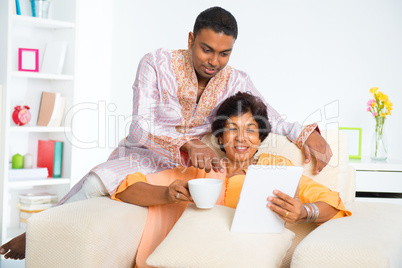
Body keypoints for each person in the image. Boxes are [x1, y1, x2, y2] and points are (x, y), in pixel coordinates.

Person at [0, 6, 332, 260]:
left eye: (224, 53)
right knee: (95, 184)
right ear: (191, 39)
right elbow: (140, 126)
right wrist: (186, 142)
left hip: (189, 168)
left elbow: (268, 116)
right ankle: (36, 235)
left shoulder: (236, 79)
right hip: (141, 155)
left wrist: (307, 135)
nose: (214, 61)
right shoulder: (155, 63)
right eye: (206, 49)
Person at [111, 92, 351, 267]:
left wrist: (304, 212)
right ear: (220, 136)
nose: (240, 138)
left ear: (260, 137)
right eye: (232, 129)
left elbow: (332, 202)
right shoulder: (200, 168)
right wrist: (167, 194)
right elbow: (126, 189)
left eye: (250, 129)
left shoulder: (276, 168)